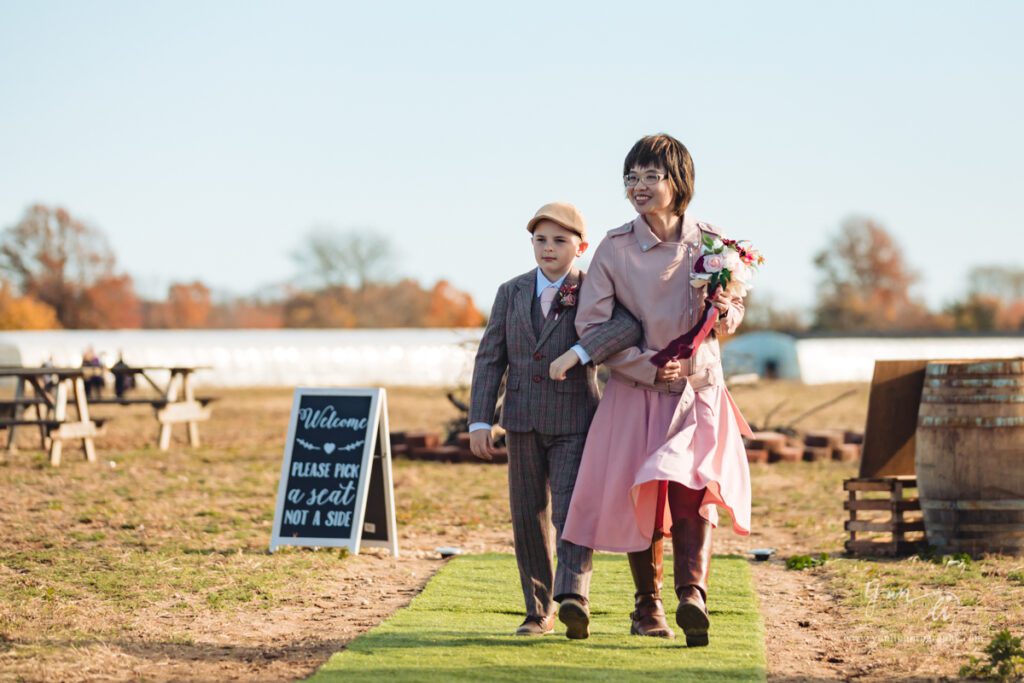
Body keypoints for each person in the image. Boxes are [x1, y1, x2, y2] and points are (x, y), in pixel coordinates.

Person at [551, 134, 753, 647]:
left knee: (691, 489)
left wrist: (725, 310)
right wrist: (644, 367)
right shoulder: (614, 249)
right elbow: (592, 324)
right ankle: (648, 606)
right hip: (636, 390)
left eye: (651, 177)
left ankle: (693, 596)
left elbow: (731, 312)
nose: (638, 187)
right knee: (646, 495)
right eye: (631, 178)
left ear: (677, 180)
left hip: (700, 389)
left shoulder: (713, 243)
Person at [469, 202, 642, 639]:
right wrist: (478, 421)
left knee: (571, 510)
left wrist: (582, 351)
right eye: (540, 239)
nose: (548, 248)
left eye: (560, 240)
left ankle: (573, 598)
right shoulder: (510, 291)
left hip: (575, 420)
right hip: (521, 421)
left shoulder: (594, 289)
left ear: (580, 247)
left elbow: (629, 327)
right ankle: (537, 609)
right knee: (528, 516)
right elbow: (491, 359)